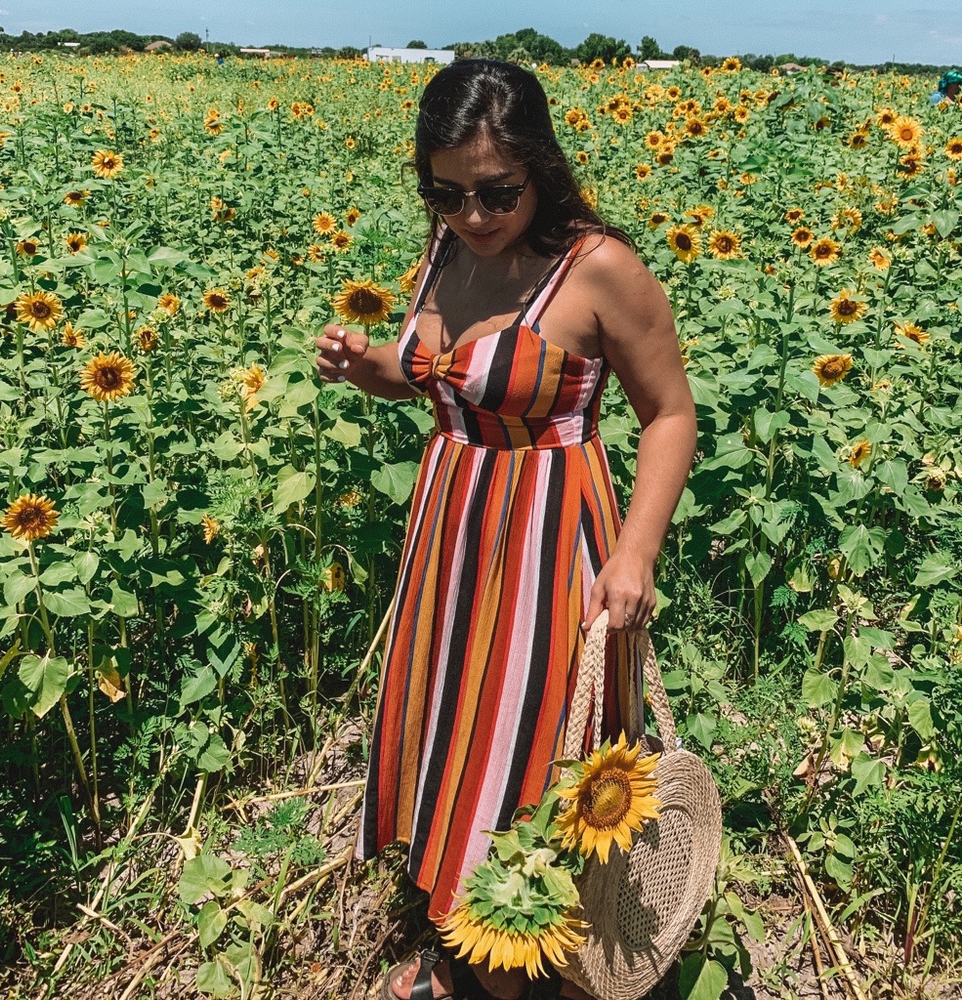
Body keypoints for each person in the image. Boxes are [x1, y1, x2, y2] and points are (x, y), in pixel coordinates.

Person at [315, 59, 696, 1000]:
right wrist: (371, 367)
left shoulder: (597, 267)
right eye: (445, 192)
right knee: (460, 722)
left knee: (539, 740)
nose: (473, 215)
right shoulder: (448, 248)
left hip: (549, 531)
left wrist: (635, 552)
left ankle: (550, 965)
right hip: (451, 527)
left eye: (497, 192)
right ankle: (473, 943)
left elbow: (671, 414)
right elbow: (439, 378)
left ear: (540, 167)